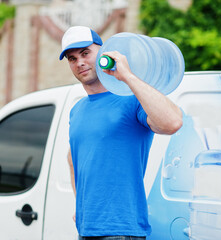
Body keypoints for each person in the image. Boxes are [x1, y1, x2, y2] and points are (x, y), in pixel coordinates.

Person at [60, 26, 183, 239]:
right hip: (86, 230)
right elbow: (73, 158)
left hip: (122, 231)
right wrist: (81, 206)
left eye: (85, 53)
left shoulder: (131, 99)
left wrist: (127, 76)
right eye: (72, 58)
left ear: (104, 52)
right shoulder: (77, 110)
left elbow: (173, 122)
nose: (79, 62)